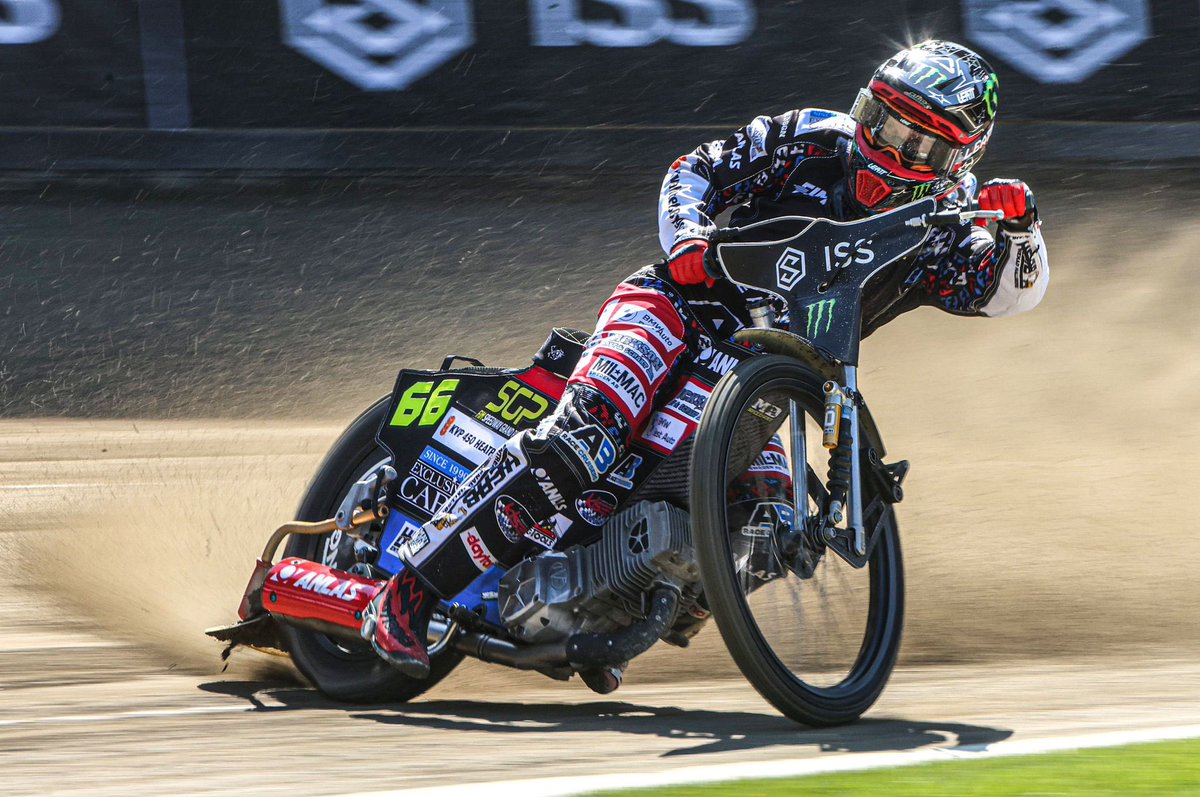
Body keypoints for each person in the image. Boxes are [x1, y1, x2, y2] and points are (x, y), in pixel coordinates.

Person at [359, 39, 1049, 678]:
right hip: (676, 309)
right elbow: (696, 168)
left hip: (762, 374)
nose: (888, 145)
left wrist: (1021, 227)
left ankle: (625, 603)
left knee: (771, 523)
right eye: (881, 118)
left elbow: (1008, 292)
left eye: (915, 139)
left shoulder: (952, 224)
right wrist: (688, 236)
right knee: (588, 437)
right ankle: (409, 593)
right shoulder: (810, 135)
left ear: (960, 156)